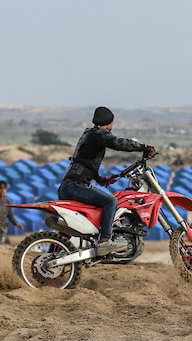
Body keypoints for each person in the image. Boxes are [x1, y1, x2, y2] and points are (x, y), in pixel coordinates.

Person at [58, 106, 154, 254]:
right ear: (109, 123)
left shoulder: (89, 134)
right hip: (75, 186)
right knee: (111, 201)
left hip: (69, 185)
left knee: (70, 228)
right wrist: (143, 147)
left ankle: (55, 248)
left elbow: (84, 161)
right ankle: (105, 241)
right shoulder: (99, 134)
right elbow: (119, 143)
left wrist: (100, 179)